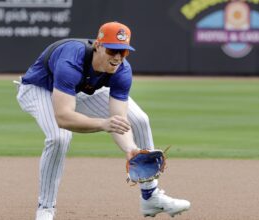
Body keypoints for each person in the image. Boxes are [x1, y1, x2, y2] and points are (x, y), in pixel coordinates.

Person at [16, 21, 190, 220]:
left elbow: (119, 120)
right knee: (59, 137)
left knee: (139, 119)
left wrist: (130, 149)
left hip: (76, 90)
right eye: (112, 50)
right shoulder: (70, 61)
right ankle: (45, 209)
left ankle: (150, 196)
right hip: (39, 89)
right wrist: (102, 124)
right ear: (98, 46)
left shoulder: (122, 70)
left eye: (123, 52)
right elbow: (64, 117)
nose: (117, 57)